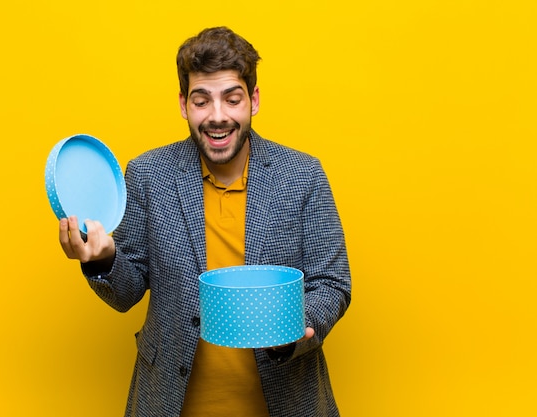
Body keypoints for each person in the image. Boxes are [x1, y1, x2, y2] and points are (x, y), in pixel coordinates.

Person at [59, 26, 351, 417]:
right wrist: (103, 258)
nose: (218, 117)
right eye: (202, 101)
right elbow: (126, 291)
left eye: (232, 99)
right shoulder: (147, 174)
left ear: (254, 100)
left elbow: (332, 283)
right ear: (183, 104)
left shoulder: (303, 175)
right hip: (170, 402)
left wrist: (296, 330)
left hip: (286, 401)